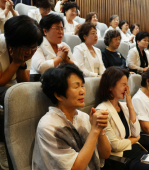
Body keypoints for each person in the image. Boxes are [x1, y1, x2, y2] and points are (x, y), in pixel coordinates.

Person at [96, 66, 149, 170]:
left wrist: (130, 106)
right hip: (124, 159)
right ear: (110, 86)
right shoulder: (101, 111)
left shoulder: (124, 106)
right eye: (123, 85)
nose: (127, 88)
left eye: (127, 84)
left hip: (138, 151)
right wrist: (135, 139)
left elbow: (136, 133)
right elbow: (116, 146)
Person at [32, 63, 111, 170]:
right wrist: (94, 131)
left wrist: (100, 129)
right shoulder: (48, 126)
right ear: (58, 95)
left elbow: (105, 154)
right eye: (76, 87)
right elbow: (75, 168)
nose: (82, 91)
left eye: (82, 85)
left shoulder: (83, 117)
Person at [0, 15, 43, 170]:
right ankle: (2, 144)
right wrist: (16, 62)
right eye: (27, 48)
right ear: (13, 43)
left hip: (11, 88)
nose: (31, 51)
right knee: (12, 97)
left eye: (35, 47)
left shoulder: (27, 50)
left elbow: (23, 83)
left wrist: (21, 62)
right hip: (2, 88)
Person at [30, 14, 78, 80]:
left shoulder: (64, 46)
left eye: (62, 28)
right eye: (57, 28)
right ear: (45, 31)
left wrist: (67, 59)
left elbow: (77, 68)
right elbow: (40, 68)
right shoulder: (38, 44)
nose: (61, 32)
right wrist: (60, 58)